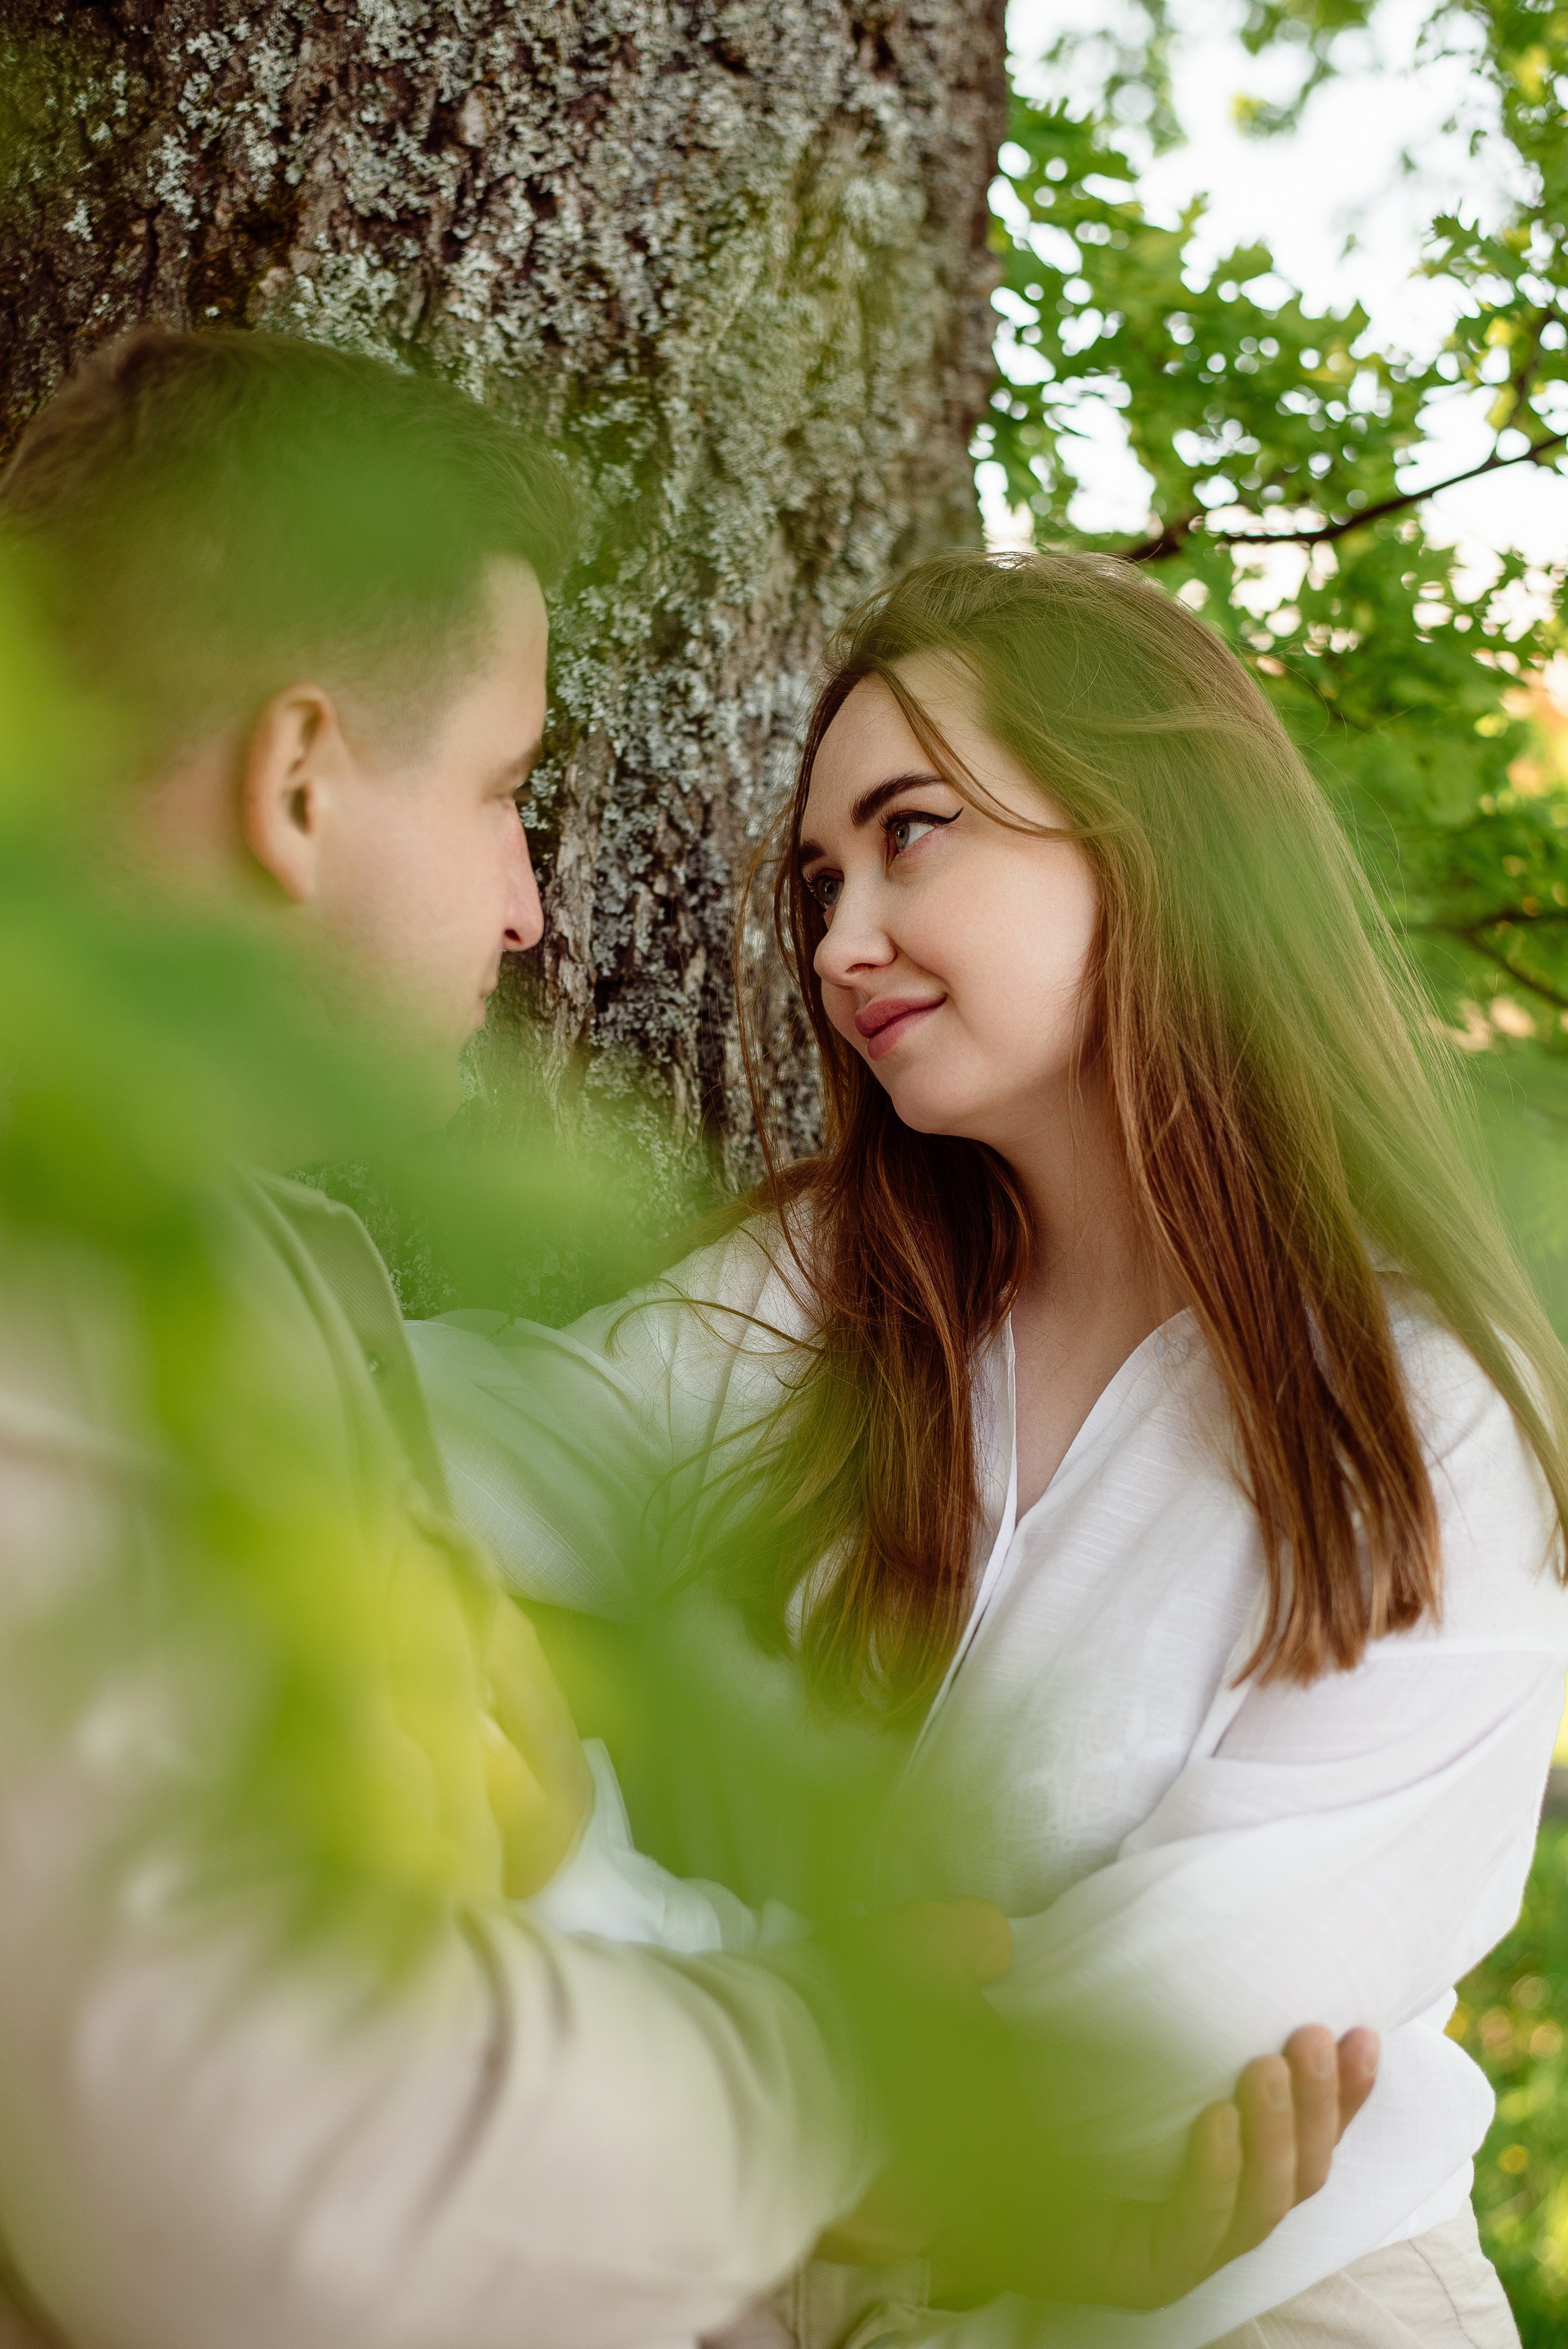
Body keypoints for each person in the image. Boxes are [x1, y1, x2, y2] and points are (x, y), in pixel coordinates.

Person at [0, 334, 1365, 2349]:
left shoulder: (264, 1264)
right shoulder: (94, 1295)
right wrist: (844, 2078)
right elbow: (286, 2169)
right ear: (297, 785)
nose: (532, 908)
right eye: (502, 792)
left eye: (917, 836)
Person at [412, 549, 1568, 2349]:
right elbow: (436, 1451)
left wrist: (603, 1924)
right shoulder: (828, 1290)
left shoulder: (1430, 1404)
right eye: (821, 880)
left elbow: (1145, 2042)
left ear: (1153, 837)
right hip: (778, 2283)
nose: (837, 943)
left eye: (913, 834)